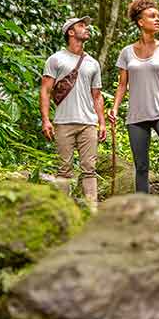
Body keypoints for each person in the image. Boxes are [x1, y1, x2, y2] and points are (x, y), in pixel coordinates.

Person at [108, 0, 159, 202]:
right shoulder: (126, 53)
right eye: (152, 16)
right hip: (136, 117)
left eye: (158, 16)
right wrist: (115, 109)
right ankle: (143, 210)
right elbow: (122, 85)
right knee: (142, 166)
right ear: (140, 22)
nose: (157, 20)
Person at [40, 16, 107, 210]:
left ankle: (92, 211)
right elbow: (45, 90)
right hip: (63, 122)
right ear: (70, 32)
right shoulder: (56, 59)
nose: (86, 28)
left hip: (88, 123)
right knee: (64, 170)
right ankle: (64, 212)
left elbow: (97, 96)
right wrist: (46, 120)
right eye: (81, 25)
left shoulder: (92, 63)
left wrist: (101, 122)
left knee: (89, 169)